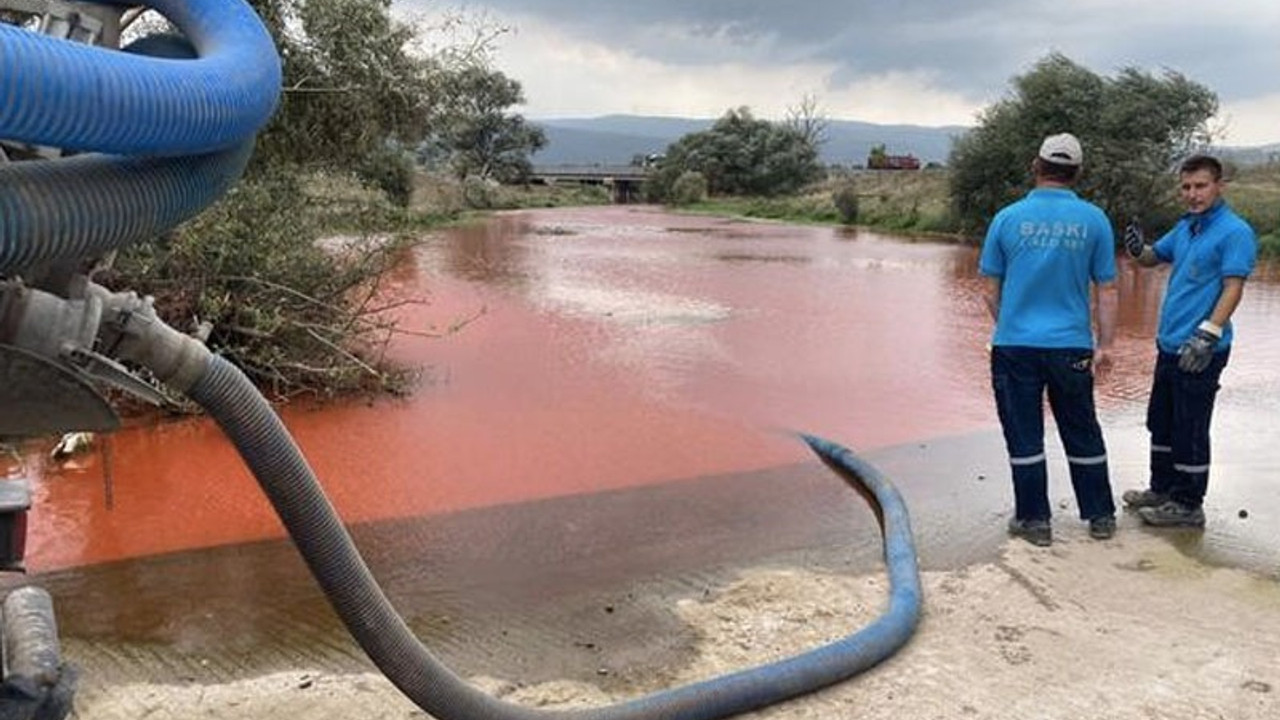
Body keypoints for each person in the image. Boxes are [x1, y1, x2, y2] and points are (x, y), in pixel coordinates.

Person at [979, 132, 1119, 547]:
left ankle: (1035, 521)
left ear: (1036, 166)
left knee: (1024, 433)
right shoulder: (1094, 220)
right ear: (1076, 173)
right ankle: (1100, 516)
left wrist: (1010, 325)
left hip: (1015, 346)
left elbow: (989, 287)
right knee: (1081, 427)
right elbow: (1106, 289)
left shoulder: (1006, 218)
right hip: (1071, 345)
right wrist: (1106, 345)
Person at [1120, 154, 1257, 528]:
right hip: (1169, 344)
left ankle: (1188, 503)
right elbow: (1153, 258)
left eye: (1200, 186)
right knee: (1160, 421)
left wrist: (1208, 333)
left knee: (1190, 426)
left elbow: (1234, 287)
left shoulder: (1234, 232)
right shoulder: (1186, 228)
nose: (1192, 194)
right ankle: (1161, 489)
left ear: (1218, 186)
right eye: (1186, 187)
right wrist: (1137, 250)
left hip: (1202, 348)